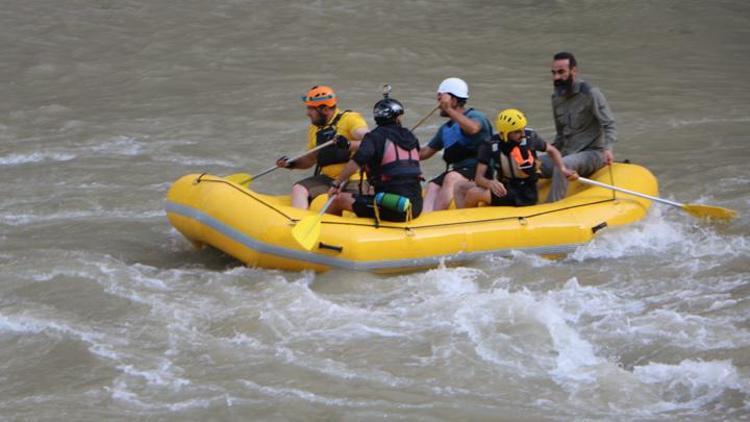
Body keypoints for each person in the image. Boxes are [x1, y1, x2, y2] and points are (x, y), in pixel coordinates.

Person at [326, 94, 423, 222]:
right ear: (397, 117)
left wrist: (337, 183)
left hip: (393, 208)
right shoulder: (411, 137)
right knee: (373, 192)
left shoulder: (374, 137)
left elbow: (357, 160)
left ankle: (329, 234)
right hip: (416, 206)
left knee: (337, 200)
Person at [455, 108, 574, 208]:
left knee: (473, 193)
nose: (522, 134)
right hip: (505, 187)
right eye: (517, 132)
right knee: (460, 186)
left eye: (522, 129)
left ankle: (465, 224)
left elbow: (552, 150)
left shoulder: (530, 138)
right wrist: (489, 183)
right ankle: (459, 219)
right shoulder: (490, 145)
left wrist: (562, 168)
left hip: (524, 194)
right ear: (504, 134)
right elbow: (479, 178)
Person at [276, 85, 369, 209]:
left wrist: (348, 143)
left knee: (349, 204)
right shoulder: (314, 129)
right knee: (299, 189)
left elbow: (370, 140)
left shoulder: (350, 119)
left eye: (310, 109)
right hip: (328, 179)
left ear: (324, 109)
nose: (307, 113)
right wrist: (291, 164)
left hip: (354, 178)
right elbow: (310, 160)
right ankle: (298, 221)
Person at [541, 51, 617, 202]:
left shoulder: (591, 94)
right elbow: (561, 134)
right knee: (528, 161)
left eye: (561, 72)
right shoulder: (556, 98)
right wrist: (550, 149)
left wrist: (608, 148)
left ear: (574, 71)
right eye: (554, 73)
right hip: (567, 151)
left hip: (593, 153)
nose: (556, 77)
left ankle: (551, 207)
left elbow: (609, 124)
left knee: (564, 163)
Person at [418, 77, 493, 212]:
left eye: (441, 100)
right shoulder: (446, 129)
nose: (439, 104)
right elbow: (425, 153)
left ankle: (439, 218)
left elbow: (473, 128)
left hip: (478, 170)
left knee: (451, 177)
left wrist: (449, 110)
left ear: (453, 100)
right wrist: (402, 149)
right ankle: (425, 220)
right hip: (459, 171)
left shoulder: (475, 116)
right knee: (433, 186)